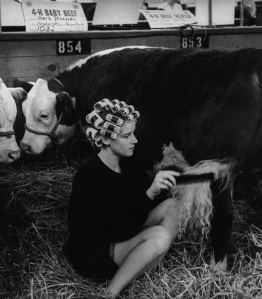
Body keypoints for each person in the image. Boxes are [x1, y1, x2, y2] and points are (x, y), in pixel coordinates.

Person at [64, 99, 181, 298]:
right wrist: (150, 193)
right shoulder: (89, 175)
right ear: (107, 139)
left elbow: (142, 205)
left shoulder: (129, 165)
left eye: (133, 133)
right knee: (159, 236)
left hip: (124, 232)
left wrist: (159, 188)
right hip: (97, 252)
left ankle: (144, 264)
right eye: (127, 136)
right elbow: (116, 228)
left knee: (172, 205)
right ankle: (110, 293)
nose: (134, 140)